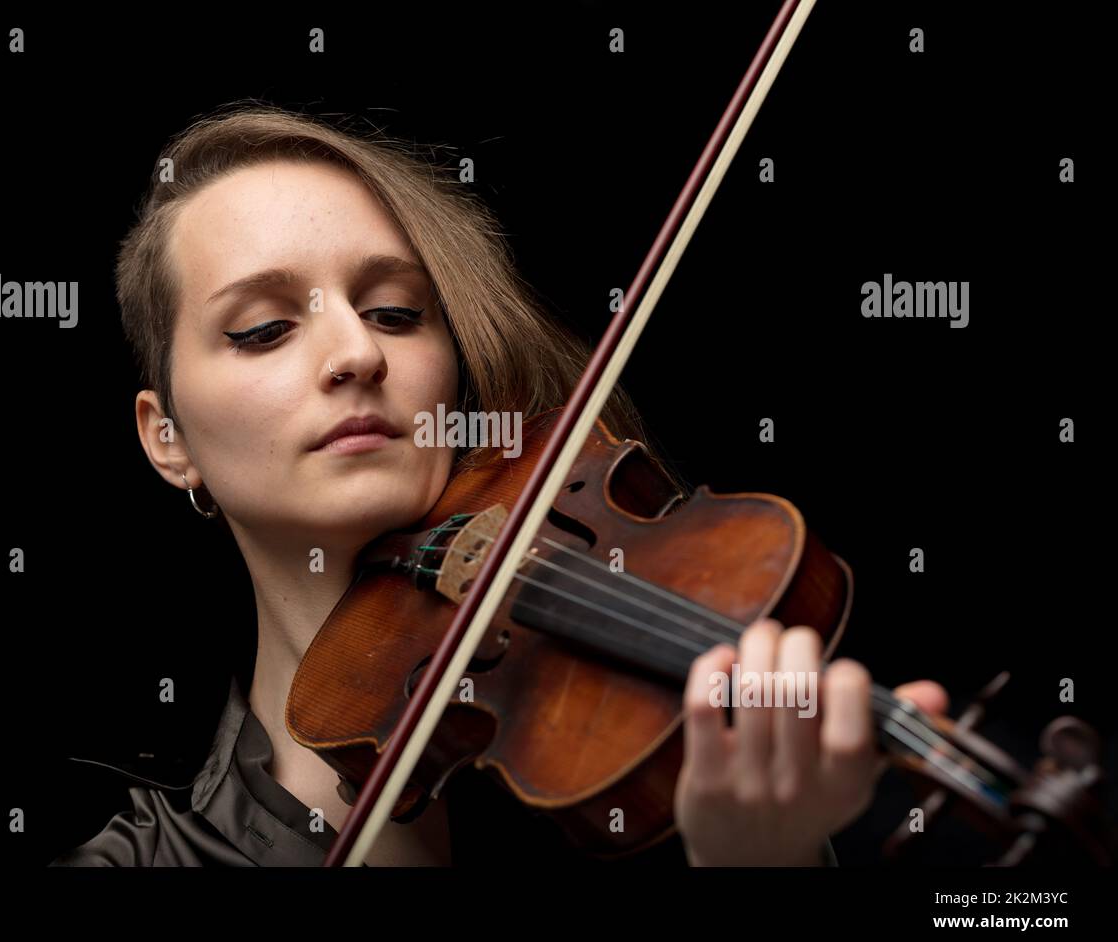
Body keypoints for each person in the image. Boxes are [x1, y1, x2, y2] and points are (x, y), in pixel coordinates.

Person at [50, 102, 947, 867]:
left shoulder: (643, 802)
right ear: (168, 440)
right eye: (263, 328)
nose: (359, 353)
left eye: (396, 313)